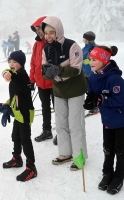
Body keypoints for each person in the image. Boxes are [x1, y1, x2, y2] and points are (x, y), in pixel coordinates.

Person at [83, 45, 124, 195]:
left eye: (94, 59)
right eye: (90, 59)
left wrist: (102, 99)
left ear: (104, 60)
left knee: (119, 148)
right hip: (107, 120)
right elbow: (92, 94)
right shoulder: (93, 78)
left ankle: (118, 176)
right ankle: (107, 173)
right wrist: (91, 100)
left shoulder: (115, 79)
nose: (91, 62)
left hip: (122, 119)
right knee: (107, 147)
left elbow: (119, 100)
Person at [41, 16, 88, 171]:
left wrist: (58, 69)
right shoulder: (46, 49)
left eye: (51, 32)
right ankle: (65, 153)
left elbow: (76, 69)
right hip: (59, 91)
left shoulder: (71, 45)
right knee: (61, 124)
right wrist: (48, 73)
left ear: (58, 31)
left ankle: (79, 156)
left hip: (75, 89)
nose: (48, 36)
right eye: (45, 33)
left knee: (75, 125)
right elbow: (45, 70)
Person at [1, 50, 37, 182]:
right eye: (10, 62)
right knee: (15, 136)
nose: (11, 64)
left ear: (21, 64)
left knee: (25, 140)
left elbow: (12, 76)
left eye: (15, 62)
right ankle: (17, 158)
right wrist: (8, 103)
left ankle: (31, 168)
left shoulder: (21, 75)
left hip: (24, 113)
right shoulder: (14, 76)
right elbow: (15, 95)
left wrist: (5, 72)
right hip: (17, 113)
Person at [29, 16, 56, 145]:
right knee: (45, 107)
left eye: (39, 28)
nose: (38, 31)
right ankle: (47, 130)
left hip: (54, 82)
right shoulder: (36, 44)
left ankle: (62, 132)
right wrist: (32, 80)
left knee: (59, 107)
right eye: (36, 29)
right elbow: (34, 63)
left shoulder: (52, 43)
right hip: (41, 83)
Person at [82, 31, 99, 114]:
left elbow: (95, 59)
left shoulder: (95, 48)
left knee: (92, 90)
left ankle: (95, 106)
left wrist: (86, 61)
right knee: (86, 90)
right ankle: (90, 103)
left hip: (91, 73)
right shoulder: (85, 48)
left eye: (84, 38)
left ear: (88, 40)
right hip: (84, 72)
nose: (83, 40)